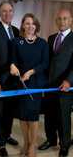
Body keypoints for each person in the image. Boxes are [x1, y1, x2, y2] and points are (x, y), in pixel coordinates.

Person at [10, 13, 49, 157]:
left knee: (33, 117)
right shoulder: (16, 42)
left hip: (36, 83)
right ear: (23, 26)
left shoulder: (43, 43)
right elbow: (12, 60)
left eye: (33, 23)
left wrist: (31, 72)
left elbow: (45, 64)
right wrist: (12, 66)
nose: (30, 26)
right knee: (23, 116)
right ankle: (25, 142)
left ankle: (32, 145)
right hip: (21, 84)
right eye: (27, 23)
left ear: (36, 26)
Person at [38, 9, 73, 157]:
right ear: (56, 21)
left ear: (71, 20)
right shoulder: (51, 38)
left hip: (65, 86)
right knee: (49, 115)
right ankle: (51, 140)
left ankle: (64, 145)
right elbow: (48, 62)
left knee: (63, 117)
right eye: (59, 19)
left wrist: (69, 80)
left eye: (65, 19)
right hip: (50, 85)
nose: (62, 21)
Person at [0, 1, 19, 157]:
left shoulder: (16, 30)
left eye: (10, 11)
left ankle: (7, 135)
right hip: (0, 80)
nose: (7, 14)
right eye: (4, 11)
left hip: (13, 81)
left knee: (9, 111)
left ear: (13, 12)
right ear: (0, 13)